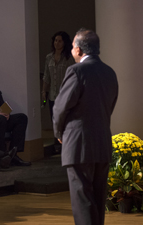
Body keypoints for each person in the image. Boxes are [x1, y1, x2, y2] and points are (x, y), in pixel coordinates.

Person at [53, 28, 118, 225]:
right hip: (102, 142)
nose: (72, 50)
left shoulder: (76, 70)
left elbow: (60, 107)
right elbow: (110, 105)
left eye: (72, 46)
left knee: (82, 200)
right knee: (98, 199)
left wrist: (59, 132)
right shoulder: (110, 72)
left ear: (79, 50)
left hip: (78, 143)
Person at [42, 31, 75, 118]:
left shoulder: (69, 58)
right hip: (52, 95)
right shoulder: (49, 57)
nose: (57, 43)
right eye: (56, 40)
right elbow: (46, 76)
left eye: (60, 41)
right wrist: (44, 91)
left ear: (64, 43)